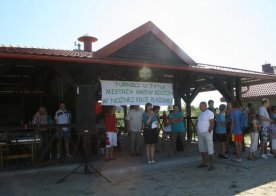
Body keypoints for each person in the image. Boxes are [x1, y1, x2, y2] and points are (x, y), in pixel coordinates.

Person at [196, 102, 215, 171]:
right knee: (202, 149)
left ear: (205, 106)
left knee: (210, 149)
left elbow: (212, 123)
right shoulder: (200, 114)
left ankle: (212, 165)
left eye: (200, 106)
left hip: (207, 133)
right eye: (199, 106)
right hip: (200, 133)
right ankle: (205, 163)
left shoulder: (209, 113)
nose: (199, 107)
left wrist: (209, 132)